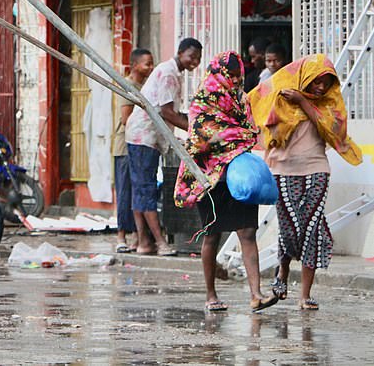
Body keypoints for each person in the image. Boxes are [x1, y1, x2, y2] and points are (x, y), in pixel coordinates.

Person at [248, 54, 362, 311]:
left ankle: (305, 294)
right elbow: (256, 109)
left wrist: (303, 101)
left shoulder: (329, 104)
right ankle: (282, 274)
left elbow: (332, 131)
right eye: (316, 81)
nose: (321, 87)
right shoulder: (281, 94)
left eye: (326, 82)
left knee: (312, 227)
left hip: (317, 170)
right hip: (282, 170)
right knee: (290, 228)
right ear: (305, 77)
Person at [174, 51, 279, 313]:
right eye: (228, 76)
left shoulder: (241, 99)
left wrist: (230, 137)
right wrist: (226, 137)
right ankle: (211, 295)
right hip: (210, 179)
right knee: (212, 235)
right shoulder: (203, 100)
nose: (233, 80)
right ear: (218, 74)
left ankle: (256, 294)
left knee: (247, 232)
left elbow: (250, 131)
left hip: (239, 176)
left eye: (236, 76)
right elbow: (198, 139)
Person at [125, 37, 202, 256]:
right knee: (145, 190)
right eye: (191, 57)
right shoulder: (168, 73)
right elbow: (168, 112)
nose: (194, 62)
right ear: (180, 53)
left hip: (146, 136)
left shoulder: (171, 72)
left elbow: (170, 113)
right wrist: (195, 130)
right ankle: (158, 242)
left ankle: (142, 241)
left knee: (140, 189)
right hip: (144, 136)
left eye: (197, 58)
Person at [111, 48, 155, 253]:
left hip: (140, 143)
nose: (151, 67)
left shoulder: (145, 86)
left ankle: (138, 236)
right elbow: (126, 119)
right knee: (125, 191)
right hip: (125, 146)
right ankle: (121, 235)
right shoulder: (127, 86)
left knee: (138, 191)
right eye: (147, 63)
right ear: (134, 65)